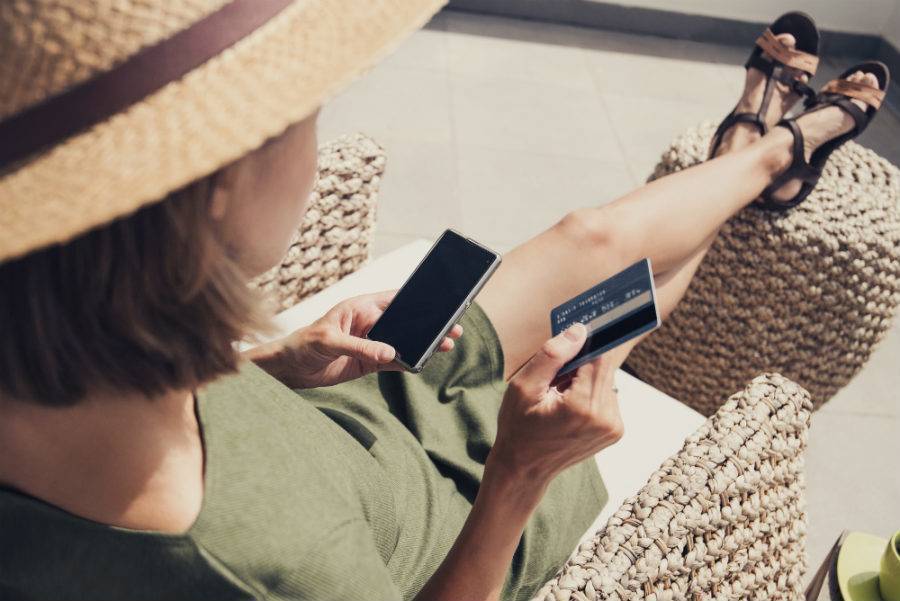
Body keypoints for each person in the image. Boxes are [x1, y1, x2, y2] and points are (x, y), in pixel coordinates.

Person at [0, 2, 888, 600]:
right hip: (461, 486)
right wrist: (520, 474)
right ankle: (781, 145)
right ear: (219, 185)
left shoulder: (50, 346)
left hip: (348, 403)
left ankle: (759, 148)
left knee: (590, 240)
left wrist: (275, 362)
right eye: (308, 107)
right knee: (617, 314)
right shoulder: (263, 567)